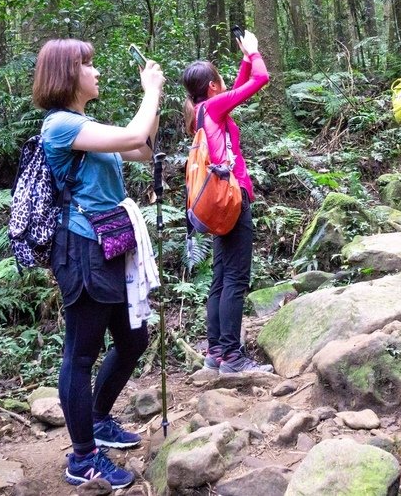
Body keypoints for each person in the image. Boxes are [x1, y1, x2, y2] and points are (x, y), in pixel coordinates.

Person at [33, 38, 164, 488]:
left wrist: (155, 100)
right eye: (88, 65)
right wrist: (149, 91)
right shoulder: (61, 127)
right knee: (81, 351)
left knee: (133, 339)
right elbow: (131, 136)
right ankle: (83, 457)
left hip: (111, 244)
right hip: (82, 248)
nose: (97, 72)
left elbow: (141, 148)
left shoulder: (86, 125)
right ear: (68, 74)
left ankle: (98, 417)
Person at [181, 29, 272, 374]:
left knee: (221, 278)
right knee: (235, 278)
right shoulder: (214, 107)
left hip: (217, 202)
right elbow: (260, 80)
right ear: (212, 87)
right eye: (220, 78)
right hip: (233, 198)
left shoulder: (203, 110)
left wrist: (246, 57)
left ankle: (216, 351)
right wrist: (255, 52)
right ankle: (233, 357)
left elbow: (238, 87)